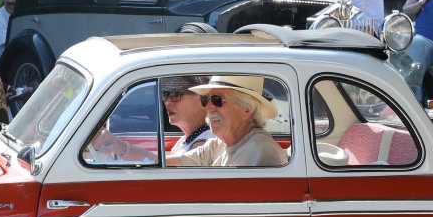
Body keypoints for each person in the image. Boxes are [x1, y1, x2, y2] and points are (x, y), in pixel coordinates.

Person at [89, 74, 286, 167]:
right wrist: (120, 148)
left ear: (246, 110)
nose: (209, 107)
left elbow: (226, 202)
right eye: (206, 100)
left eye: (218, 100)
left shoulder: (258, 150)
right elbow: (172, 163)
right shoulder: (220, 144)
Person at [159, 75, 211, 155]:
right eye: (165, 95)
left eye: (175, 95)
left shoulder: (202, 144)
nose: (167, 102)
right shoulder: (188, 139)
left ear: (204, 101)